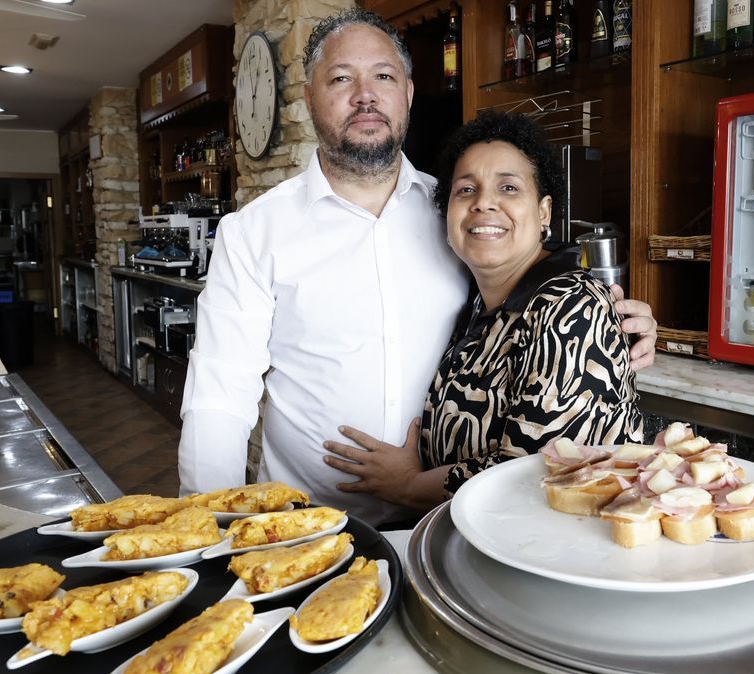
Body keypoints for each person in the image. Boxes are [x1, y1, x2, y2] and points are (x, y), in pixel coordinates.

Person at [178, 9, 657, 527]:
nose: (366, 95)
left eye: (383, 76)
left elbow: (531, 291)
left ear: (407, 93)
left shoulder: (454, 212)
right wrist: (206, 528)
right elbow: (219, 397)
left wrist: (614, 318)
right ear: (309, 97)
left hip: (449, 522)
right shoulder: (254, 232)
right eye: (341, 79)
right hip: (307, 528)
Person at [320, 111, 644, 511]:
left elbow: (537, 473)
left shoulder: (573, 307)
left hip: (553, 543)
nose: (484, 203)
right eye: (466, 190)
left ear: (543, 211)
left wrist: (408, 486)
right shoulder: (480, 303)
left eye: (508, 187)